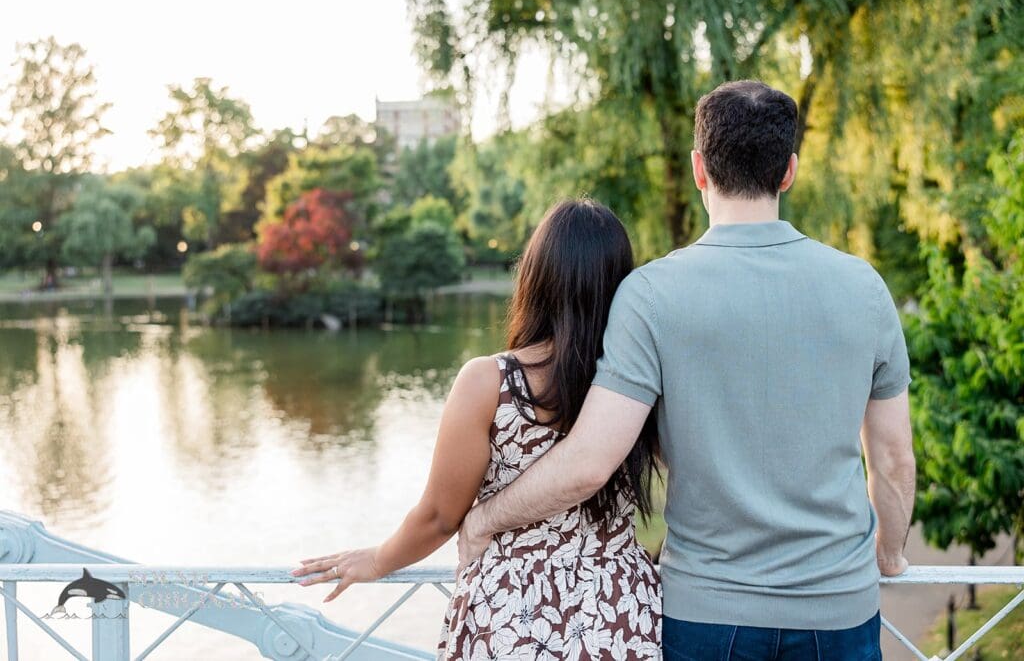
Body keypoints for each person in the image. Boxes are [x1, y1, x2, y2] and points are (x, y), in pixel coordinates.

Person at [457, 80, 917, 660]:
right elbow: (894, 461)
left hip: (708, 617)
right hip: (840, 609)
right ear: (789, 171)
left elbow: (588, 464)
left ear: (699, 170)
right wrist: (890, 554)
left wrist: (484, 520)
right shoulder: (865, 289)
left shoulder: (651, 295)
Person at [292, 200, 662, 659]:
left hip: (515, 615)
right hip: (620, 612)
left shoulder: (490, 383)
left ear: (535, 277)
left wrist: (378, 559)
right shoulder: (639, 385)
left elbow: (440, 517)